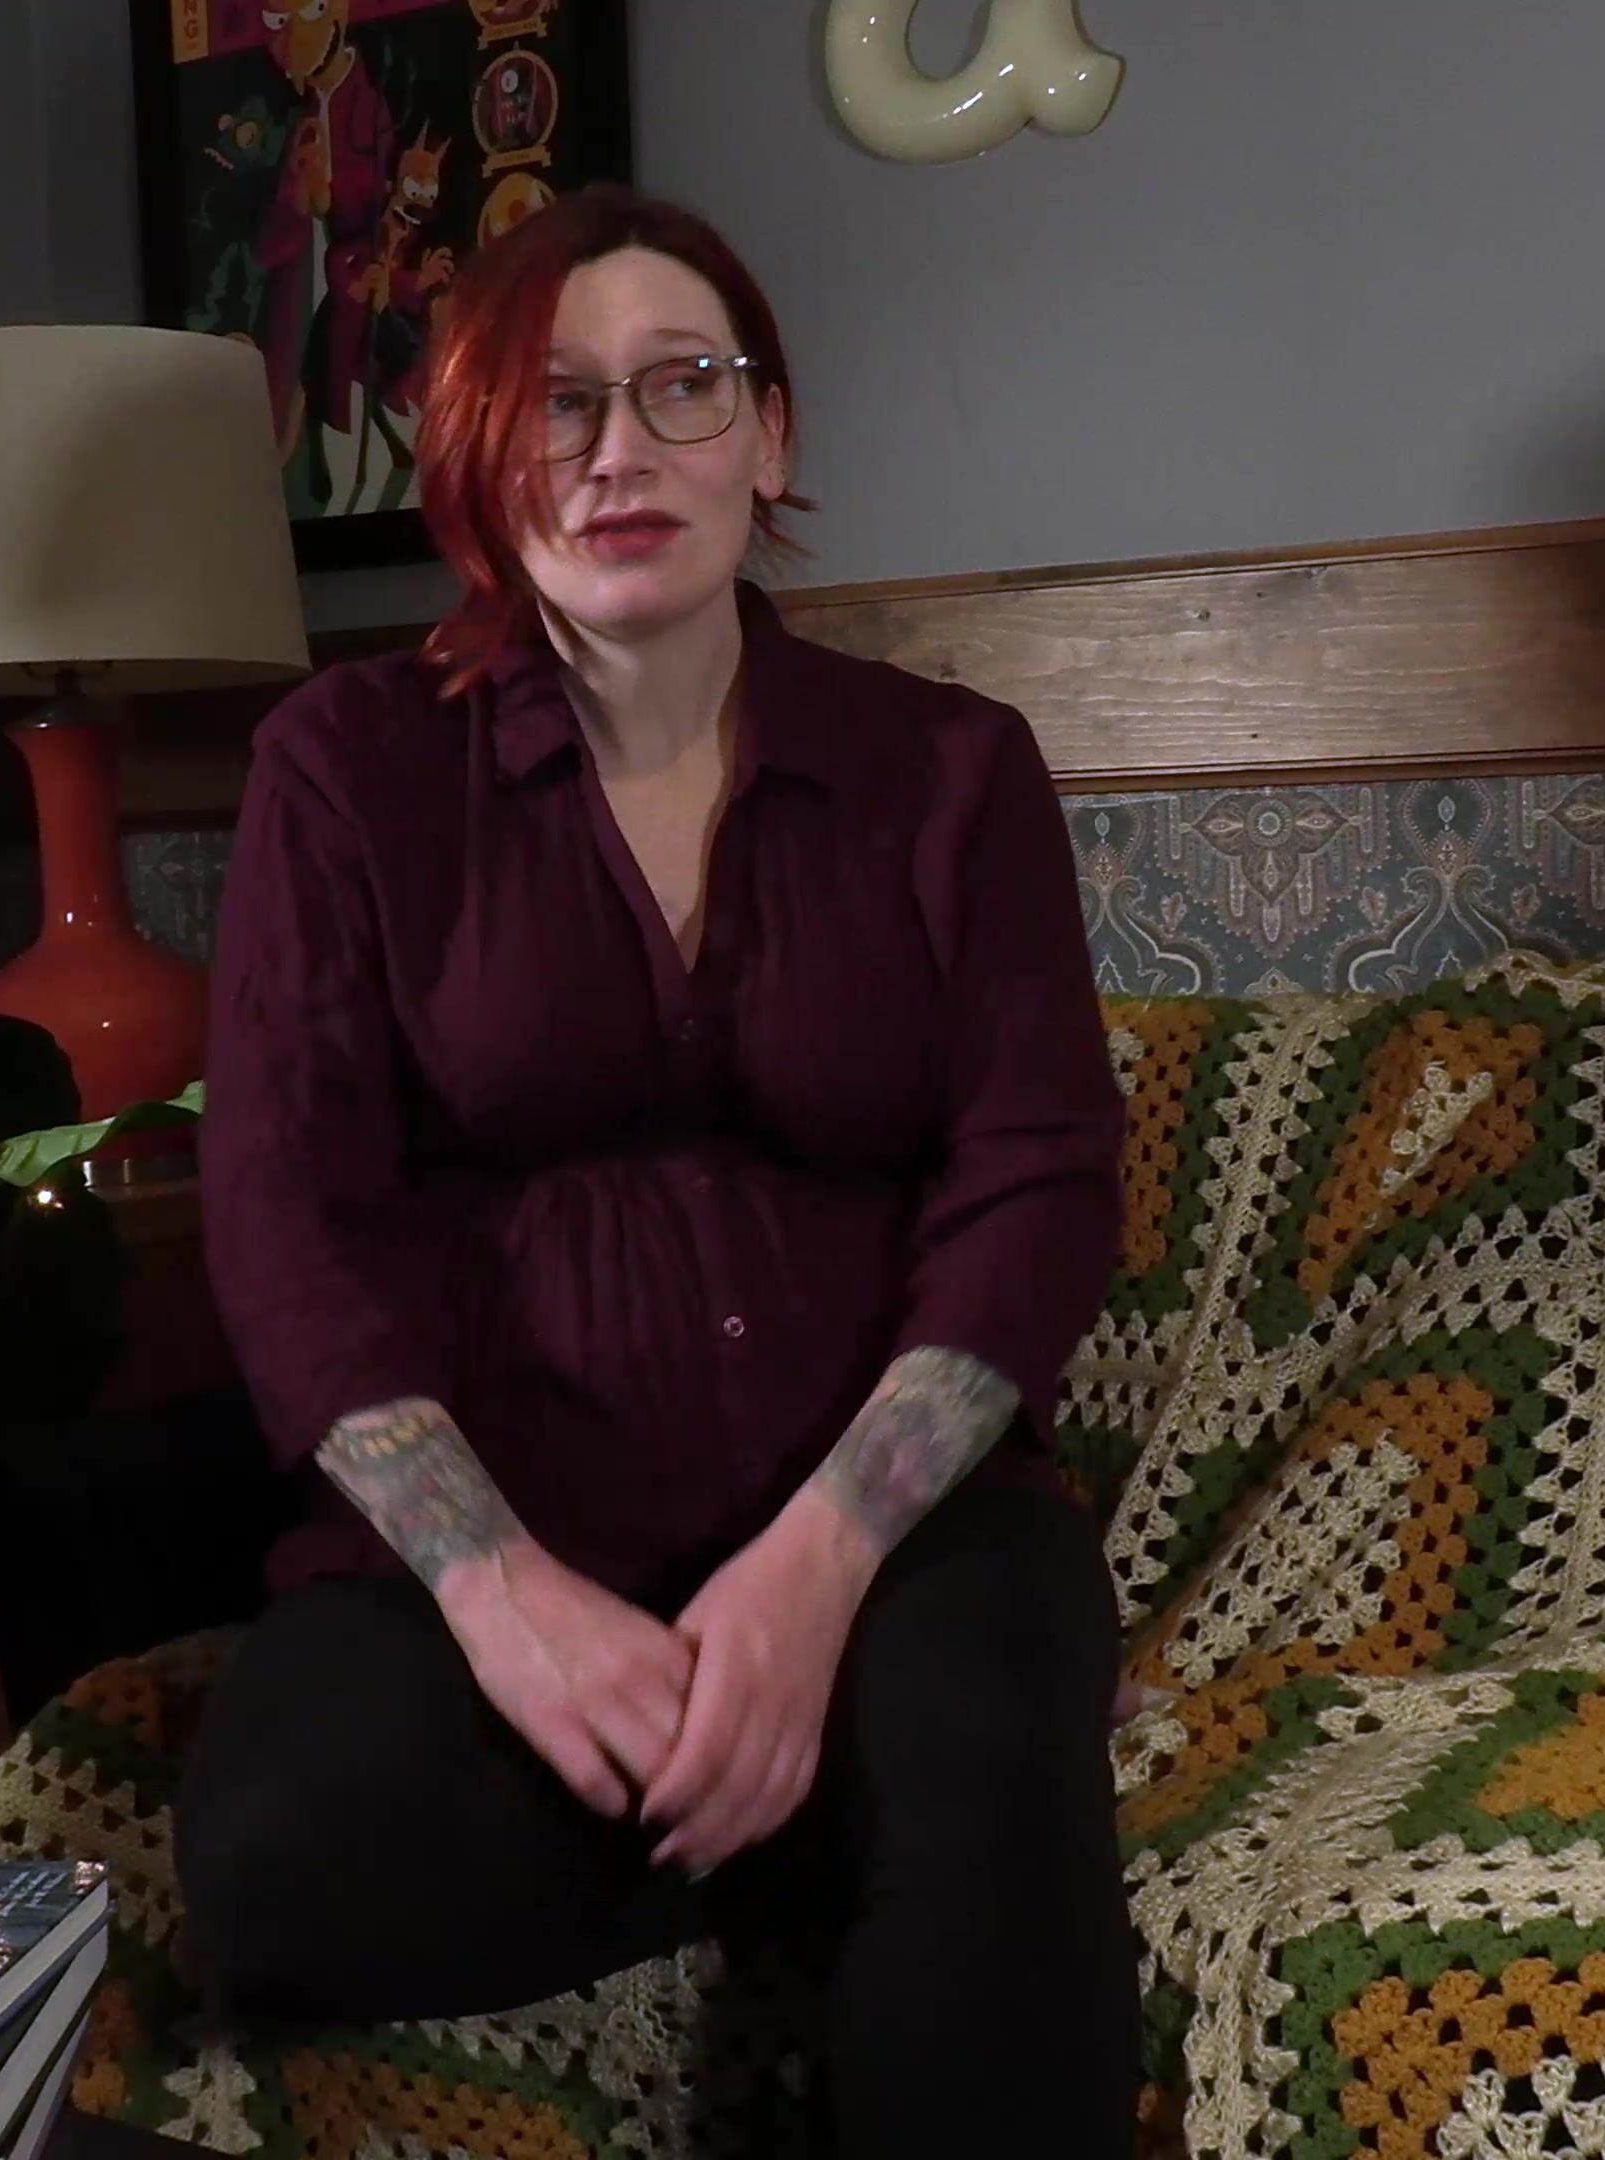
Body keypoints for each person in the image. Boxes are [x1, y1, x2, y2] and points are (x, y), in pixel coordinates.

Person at [179, 184, 1137, 2155]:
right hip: (514, 1520)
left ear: (768, 436)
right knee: (274, 1869)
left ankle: (852, 1779)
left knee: (977, 1798)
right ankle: (785, 1813)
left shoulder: (952, 771)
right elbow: (285, 1219)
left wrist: (812, 1577)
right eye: (557, 401)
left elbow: (1038, 1186)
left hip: (900, 1531)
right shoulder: (347, 768)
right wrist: (501, 1595)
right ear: (478, 455)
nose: (618, 450)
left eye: (681, 385)